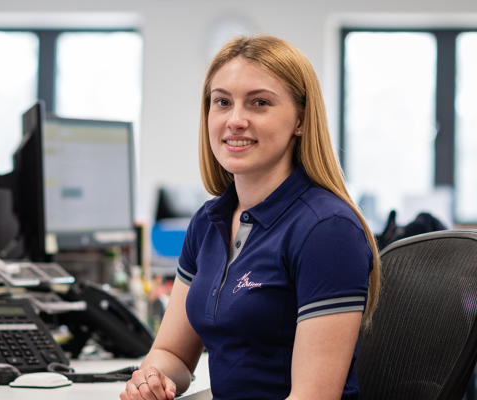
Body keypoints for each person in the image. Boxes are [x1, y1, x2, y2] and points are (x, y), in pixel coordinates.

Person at [120, 35, 381, 400]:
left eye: (259, 103)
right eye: (222, 102)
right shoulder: (208, 222)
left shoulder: (327, 230)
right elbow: (174, 354)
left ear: (301, 121)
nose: (235, 120)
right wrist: (153, 379)